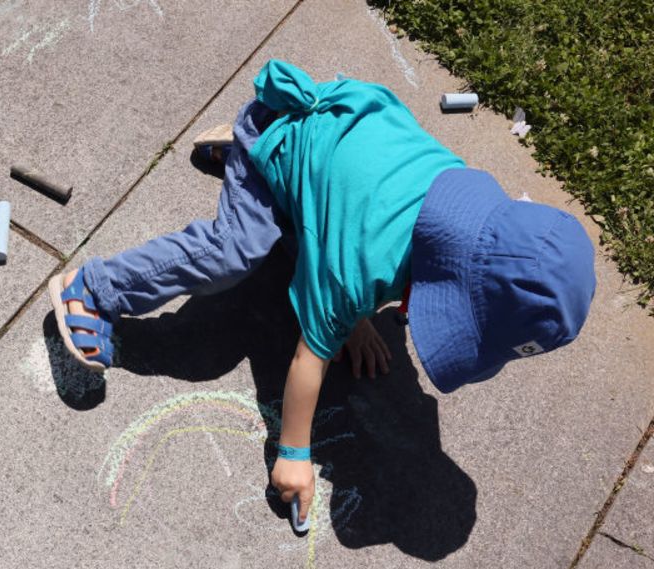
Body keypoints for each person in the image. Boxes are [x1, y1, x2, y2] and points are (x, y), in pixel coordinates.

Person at [47, 60, 596, 524]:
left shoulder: (463, 198)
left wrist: (358, 318)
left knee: (321, 243)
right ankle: (96, 285)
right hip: (287, 133)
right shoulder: (356, 267)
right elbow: (310, 358)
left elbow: (364, 224)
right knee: (234, 252)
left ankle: (260, 160)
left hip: (339, 139)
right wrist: (292, 453)